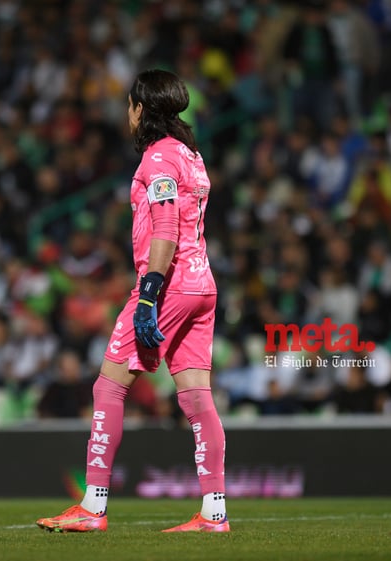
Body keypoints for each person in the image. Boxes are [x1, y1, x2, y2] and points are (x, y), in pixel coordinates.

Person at [36, 69, 229, 534]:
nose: (127, 114)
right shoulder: (192, 155)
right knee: (198, 398)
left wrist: (147, 296)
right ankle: (214, 513)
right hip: (201, 286)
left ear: (141, 109)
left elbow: (165, 228)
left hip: (167, 287)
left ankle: (93, 505)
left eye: (129, 105)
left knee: (108, 387)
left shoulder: (159, 158)